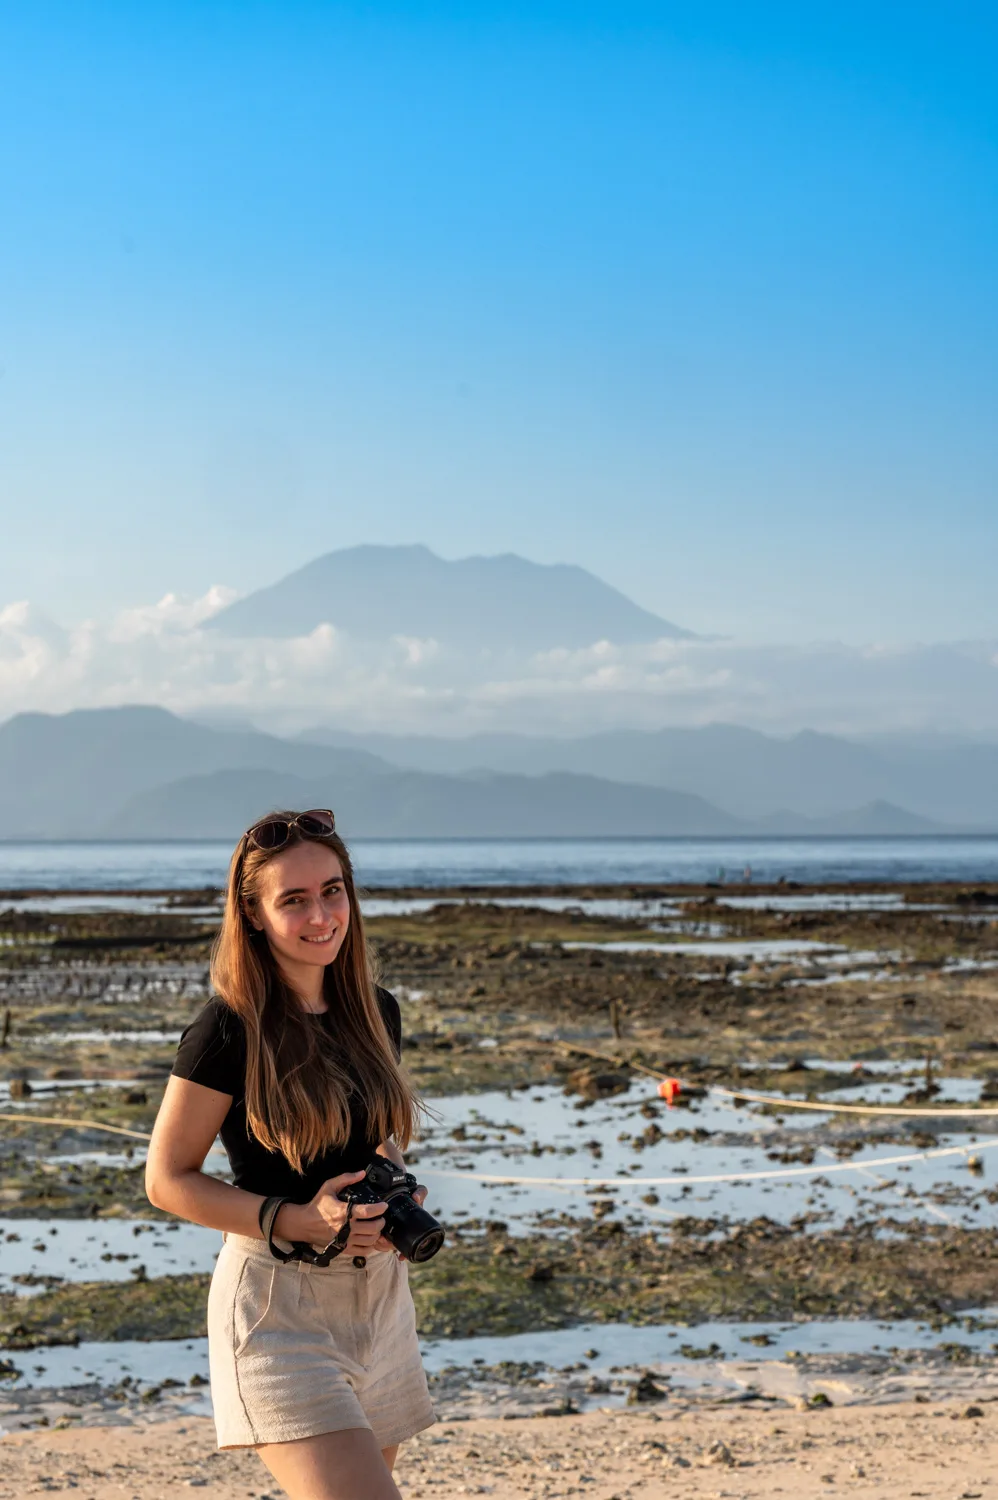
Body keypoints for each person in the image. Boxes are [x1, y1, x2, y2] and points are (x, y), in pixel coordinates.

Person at [145, 809, 435, 1500]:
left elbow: (372, 1137)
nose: (321, 915)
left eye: (332, 890)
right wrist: (296, 1218)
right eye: (294, 899)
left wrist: (395, 1189)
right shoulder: (228, 1028)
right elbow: (167, 1179)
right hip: (279, 1310)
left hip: (381, 1303)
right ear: (252, 913)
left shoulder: (374, 1009)